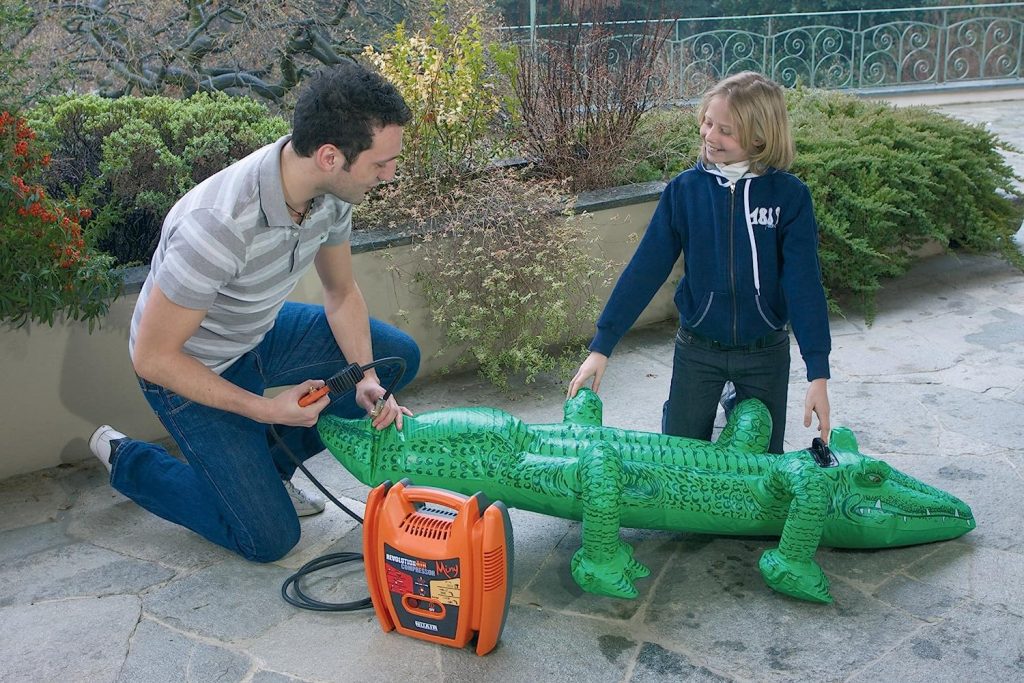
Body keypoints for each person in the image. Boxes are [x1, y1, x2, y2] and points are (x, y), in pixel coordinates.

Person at [88, 62, 421, 562]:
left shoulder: (330, 195)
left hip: (258, 331)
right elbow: (154, 358)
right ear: (330, 156)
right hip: (190, 364)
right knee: (269, 540)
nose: (390, 175)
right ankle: (130, 460)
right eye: (381, 164)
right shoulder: (218, 225)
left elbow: (341, 291)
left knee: (396, 356)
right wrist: (267, 409)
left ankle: (262, 471)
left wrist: (366, 377)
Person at [567, 71, 831, 454]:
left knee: (760, 466)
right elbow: (645, 270)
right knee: (680, 458)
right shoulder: (684, 191)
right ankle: (694, 408)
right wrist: (601, 346)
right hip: (699, 348)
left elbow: (803, 284)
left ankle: (733, 405)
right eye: (707, 122)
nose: (710, 136)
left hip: (765, 352)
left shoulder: (789, 197)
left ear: (760, 137)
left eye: (726, 130)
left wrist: (817, 373)